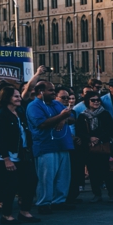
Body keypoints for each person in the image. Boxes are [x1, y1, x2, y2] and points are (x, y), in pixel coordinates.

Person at [0, 85, 39, 224]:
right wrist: (6, 159)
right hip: (6, 156)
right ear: (7, 98)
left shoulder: (20, 112)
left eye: (18, 96)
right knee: (9, 185)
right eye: (15, 96)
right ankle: (6, 215)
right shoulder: (1, 115)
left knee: (30, 180)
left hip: (22, 154)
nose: (19, 98)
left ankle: (25, 211)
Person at [26, 83, 77, 213]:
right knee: (46, 177)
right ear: (40, 91)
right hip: (46, 145)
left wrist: (62, 119)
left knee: (63, 176)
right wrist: (61, 117)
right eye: (51, 90)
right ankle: (44, 203)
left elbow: (71, 117)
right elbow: (42, 124)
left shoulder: (56, 103)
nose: (54, 93)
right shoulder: (34, 106)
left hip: (63, 144)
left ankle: (59, 201)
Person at [76, 91, 113, 203]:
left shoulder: (105, 114)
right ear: (87, 101)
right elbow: (79, 131)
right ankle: (97, 194)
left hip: (102, 145)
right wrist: (89, 138)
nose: (96, 102)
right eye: (93, 100)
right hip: (89, 146)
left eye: (98, 100)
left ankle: (112, 193)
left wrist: (98, 138)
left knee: (106, 171)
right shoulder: (83, 115)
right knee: (93, 171)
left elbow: (110, 129)